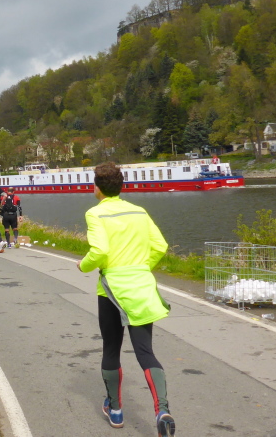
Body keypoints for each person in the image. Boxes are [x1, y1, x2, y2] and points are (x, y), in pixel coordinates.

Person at [76, 162, 175, 436]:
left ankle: (116, 410)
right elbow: (160, 246)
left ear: (97, 188)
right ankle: (162, 410)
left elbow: (99, 251)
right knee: (145, 351)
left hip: (111, 290)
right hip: (141, 286)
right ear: (121, 186)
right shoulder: (139, 211)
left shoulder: (95, 213)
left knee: (111, 349)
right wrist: (142, 267)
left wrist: (83, 265)